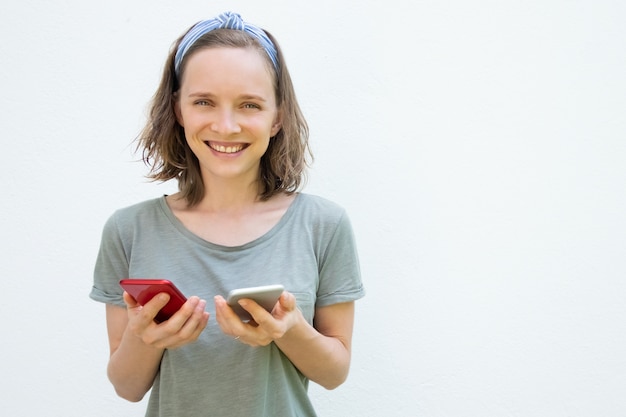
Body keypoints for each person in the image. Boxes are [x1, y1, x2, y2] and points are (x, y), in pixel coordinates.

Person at [89, 11, 365, 417]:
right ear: (179, 111)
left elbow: (335, 373)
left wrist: (288, 332)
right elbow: (128, 388)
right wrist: (146, 338)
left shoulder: (324, 225)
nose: (226, 124)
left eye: (249, 105)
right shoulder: (128, 230)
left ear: (277, 118)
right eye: (204, 102)